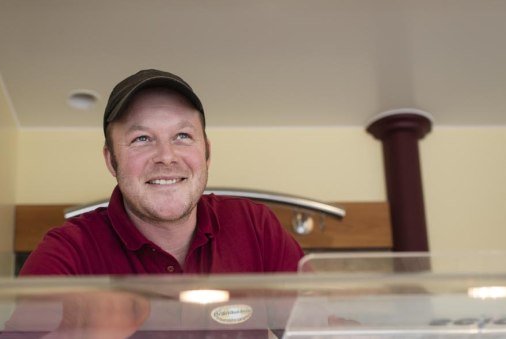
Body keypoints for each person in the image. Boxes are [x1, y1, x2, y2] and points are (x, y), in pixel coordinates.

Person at [20, 69, 304, 276]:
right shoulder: (68, 252)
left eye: (182, 135)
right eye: (142, 139)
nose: (166, 157)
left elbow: (320, 327)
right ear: (111, 160)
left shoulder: (255, 227)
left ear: (206, 152)